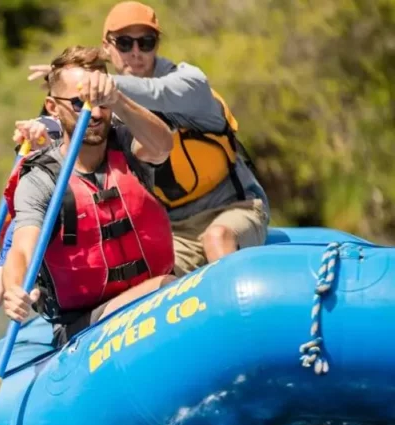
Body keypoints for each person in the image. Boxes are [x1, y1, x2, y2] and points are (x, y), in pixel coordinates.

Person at [25, 2, 270, 276]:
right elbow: (71, 130)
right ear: (107, 47)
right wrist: (46, 117)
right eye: (125, 43)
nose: (136, 53)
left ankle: (238, 315)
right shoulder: (106, 107)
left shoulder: (190, 83)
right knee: (147, 279)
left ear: (157, 44)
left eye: (146, 42)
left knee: (217, 238)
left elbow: (155, 93)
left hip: (234, 208)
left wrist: (91, 82)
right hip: (175, 228)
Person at [0, 46, 177, 344]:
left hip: (152, 299)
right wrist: (14, 288)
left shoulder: (129, 144)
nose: (94, 113)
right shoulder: (42, 179)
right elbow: (22, 249)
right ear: (53, 108)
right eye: (80, 102)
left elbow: (163, 146)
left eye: (100, 102)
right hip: (83, 326)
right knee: (166, 287)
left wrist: (117, 99)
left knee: (167, 286)